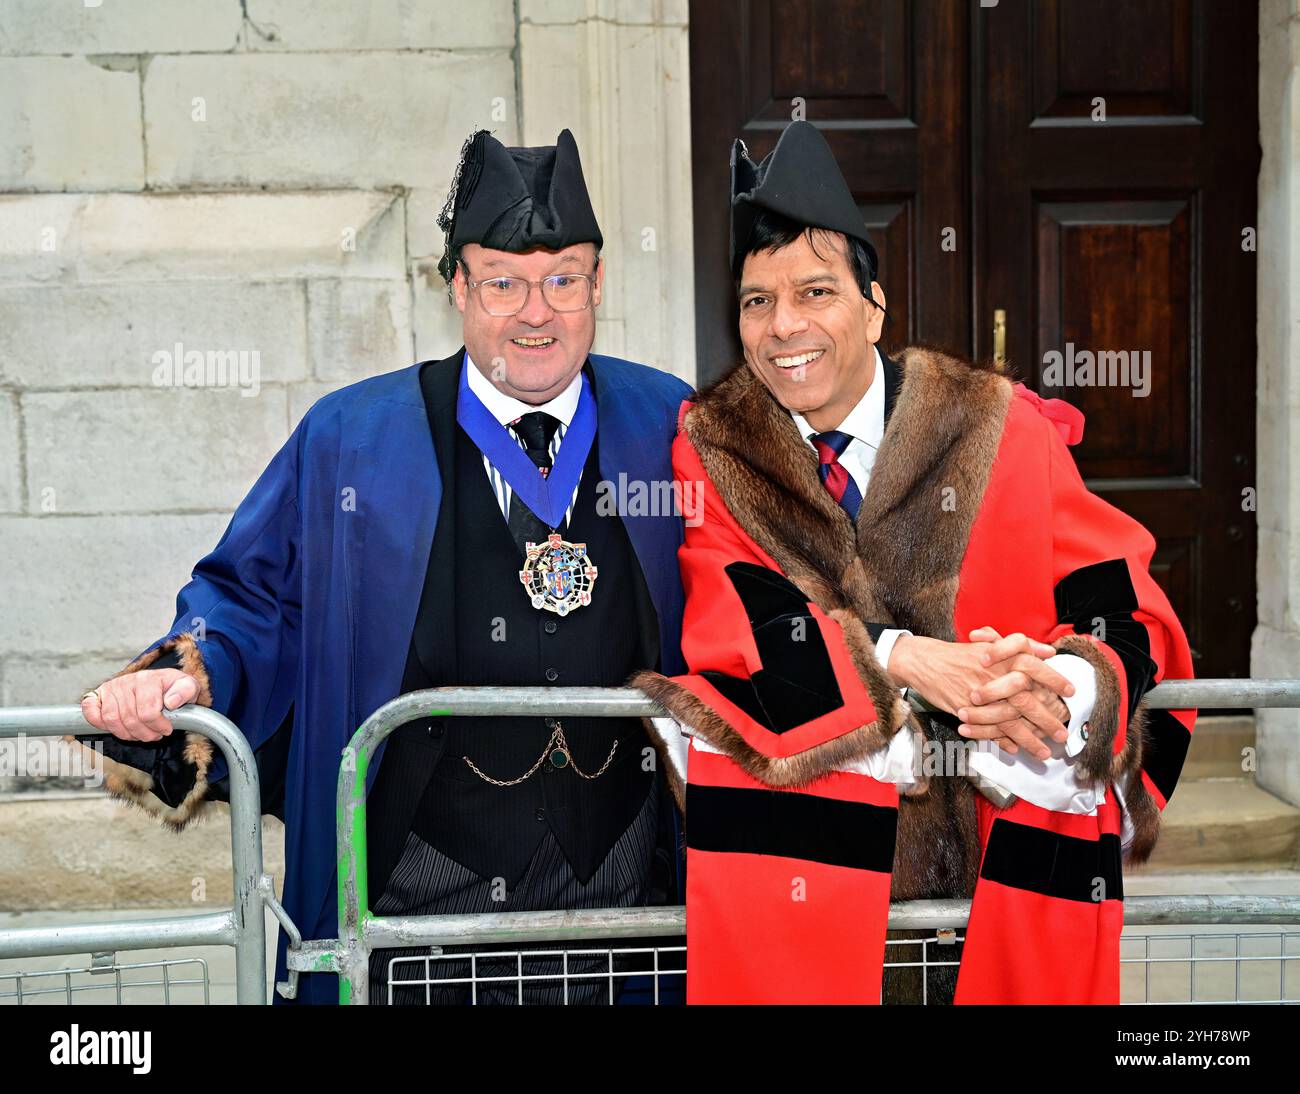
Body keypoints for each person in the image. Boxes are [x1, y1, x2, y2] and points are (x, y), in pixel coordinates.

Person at [77, 128, 692, 1005]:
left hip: (628, 907)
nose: (536, 311)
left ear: (599, 286)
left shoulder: (668, 424)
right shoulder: (353, 439)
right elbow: (255, 595)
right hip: (414, 905)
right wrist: (188, 675)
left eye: (564, 280)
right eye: (504, 283)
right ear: (458, 289)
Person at [634, 121, 1196, 1004]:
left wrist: (1057, 689)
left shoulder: (996, 425)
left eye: (814, 291)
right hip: (824, 897)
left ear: (873, 307)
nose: (784, 326)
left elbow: (1116, 600)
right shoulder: (716, 451)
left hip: (993, 879)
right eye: (755, 301)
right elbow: (739, 619)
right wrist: (901, 657)